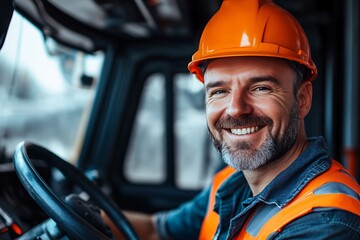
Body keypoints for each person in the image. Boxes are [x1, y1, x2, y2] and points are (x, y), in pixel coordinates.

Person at [105, 0, 360, 239]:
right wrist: (93, 219)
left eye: (260, 88)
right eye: (219, 91)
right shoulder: (233, 180)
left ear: (302, 99)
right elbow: (155, 230)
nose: (236, 109)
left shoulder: (325, 222)